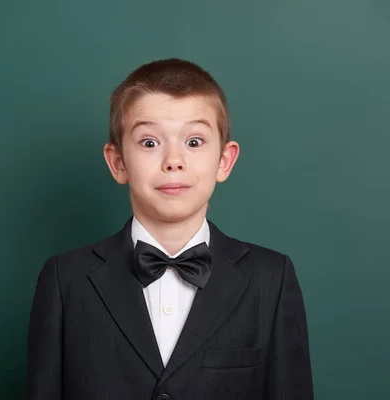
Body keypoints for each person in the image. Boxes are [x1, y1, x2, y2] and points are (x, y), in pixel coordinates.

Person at [26, 58, 313, 400]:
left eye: (194, 142)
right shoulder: (65, 280)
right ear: (118, 162)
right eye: (150, 143)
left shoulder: (272, 278)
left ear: (224, 160)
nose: (173, 161)